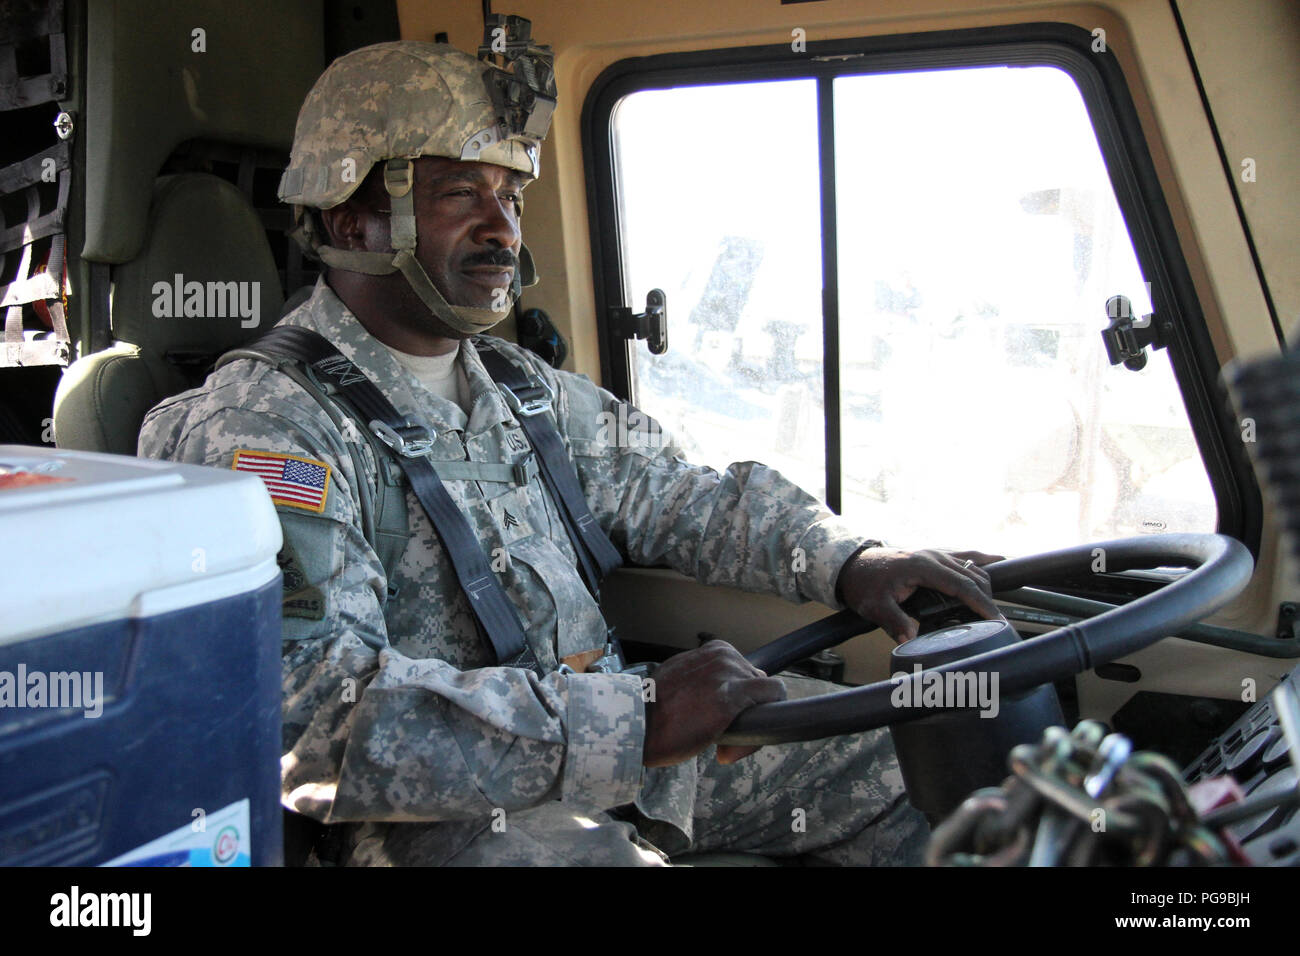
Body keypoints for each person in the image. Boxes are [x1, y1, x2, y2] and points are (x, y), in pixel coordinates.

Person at [138, 39, 1002, 865]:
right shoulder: (268, 425)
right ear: (352, 217)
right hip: (433, 819)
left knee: (923, 756)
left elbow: (679, 494)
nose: (502, 230)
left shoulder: (518, 384)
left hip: (617, 754)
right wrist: (630, 722)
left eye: (509, 196)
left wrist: (850, 560)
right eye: (457, 196)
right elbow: (314, 720)